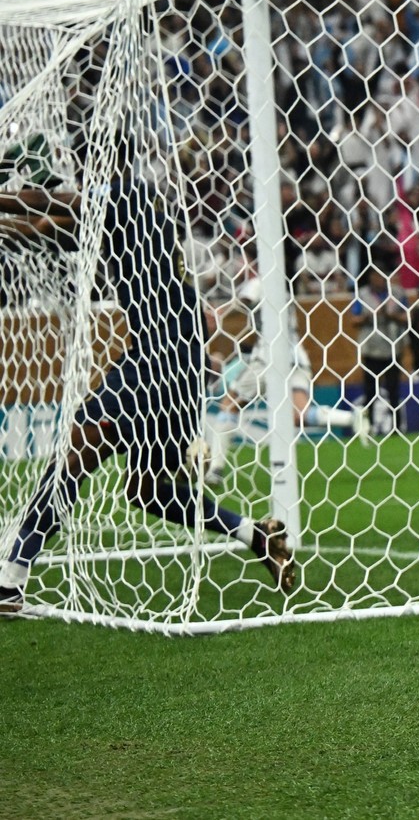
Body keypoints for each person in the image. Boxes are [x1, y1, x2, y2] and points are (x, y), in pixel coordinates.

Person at [0, 166, 297, 613]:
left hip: (159, 357)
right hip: (178, 360)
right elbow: (47, 230)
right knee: (150, 490)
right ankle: (256, 533)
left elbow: (50, 206)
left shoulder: (129, 193)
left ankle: (11, 576)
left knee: (77, 451)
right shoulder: (128, 222)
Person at [205, 282, 370, 488]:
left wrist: (219, 312)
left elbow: (243, 302)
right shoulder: (282, 284)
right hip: (296, 355)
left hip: (268, 356)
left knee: (229, 404)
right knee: (299, 415)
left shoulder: (261, 279)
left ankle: (215, 469)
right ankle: (351, 417)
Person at [349, 266, 408, 433]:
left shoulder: (397, 293)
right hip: (371, 349)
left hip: (393, 348)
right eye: (376, 276)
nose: (380, 280)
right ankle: (369, 427)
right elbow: (353, 320)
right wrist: (368, 316)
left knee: (394, 390)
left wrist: (391, 315)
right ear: (371, 277)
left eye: (383, 276)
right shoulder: (362, 294)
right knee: (370, 392)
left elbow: (408, 316)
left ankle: (397, 428)